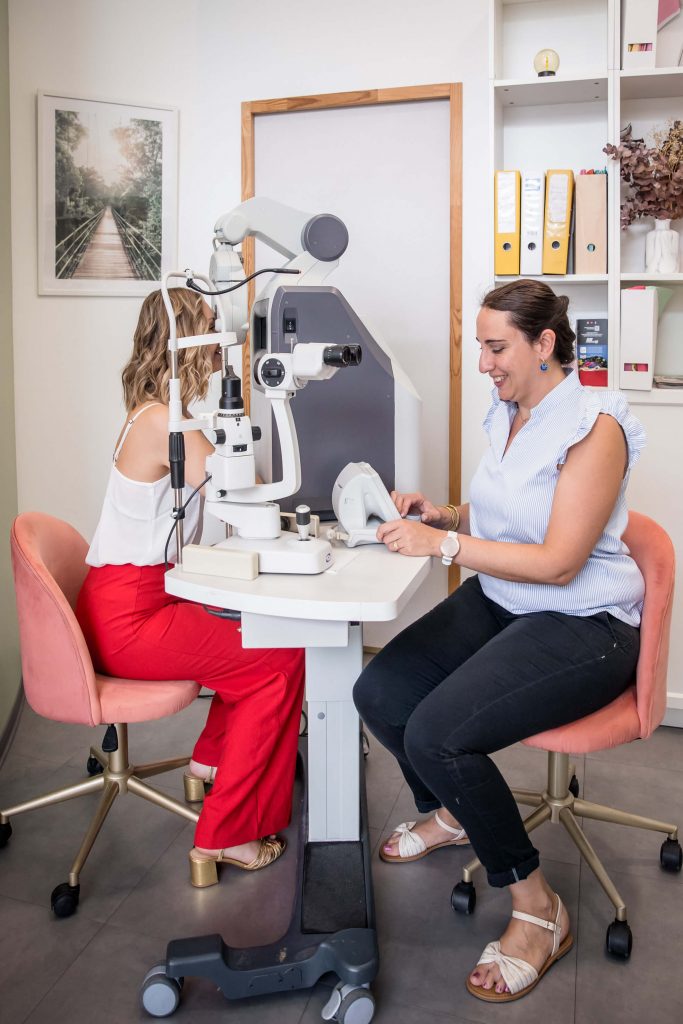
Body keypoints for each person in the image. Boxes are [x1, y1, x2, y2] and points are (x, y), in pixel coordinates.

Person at [353, 279, 645, 1003]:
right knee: (380, 691)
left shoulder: (594, 426)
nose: (483, 364)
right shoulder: (509, 411)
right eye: (480, 348)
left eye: (495, 348)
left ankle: (538, 907)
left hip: (584, 622)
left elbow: (559, 561)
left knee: (438, 735)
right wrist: (446, 516)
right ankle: (456, 812)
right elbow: (508, 514)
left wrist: (442, 548)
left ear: (544, 344)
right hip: (506, 599)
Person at [76, 287, 305, 888]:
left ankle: (210, 763)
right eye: (210, 328)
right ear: (186, 341)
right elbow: (244, 488)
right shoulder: (162, 421)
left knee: (252, 637)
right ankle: (227, 835)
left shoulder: (156, 413)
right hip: (131, 616)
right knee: (277, 662)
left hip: (130, 599)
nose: (220, 344)